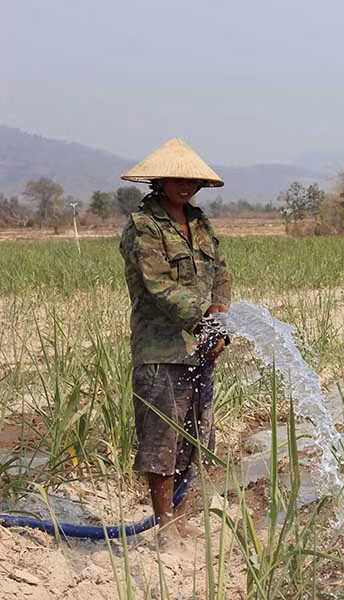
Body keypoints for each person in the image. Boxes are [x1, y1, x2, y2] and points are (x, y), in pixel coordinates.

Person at [118, 138, 231, 547]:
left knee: (196, 437)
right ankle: (165, 524)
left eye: (192, 179)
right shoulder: (143, 225)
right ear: (159, 179)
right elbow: (157, 285)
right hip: (161, 346)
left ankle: (182, 516)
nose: (185, 185)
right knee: (162, 438)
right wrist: (201, 322)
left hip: (200, 345)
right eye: (177, 178)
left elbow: (220, 272)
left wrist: (218, 318)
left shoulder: (200, 223)